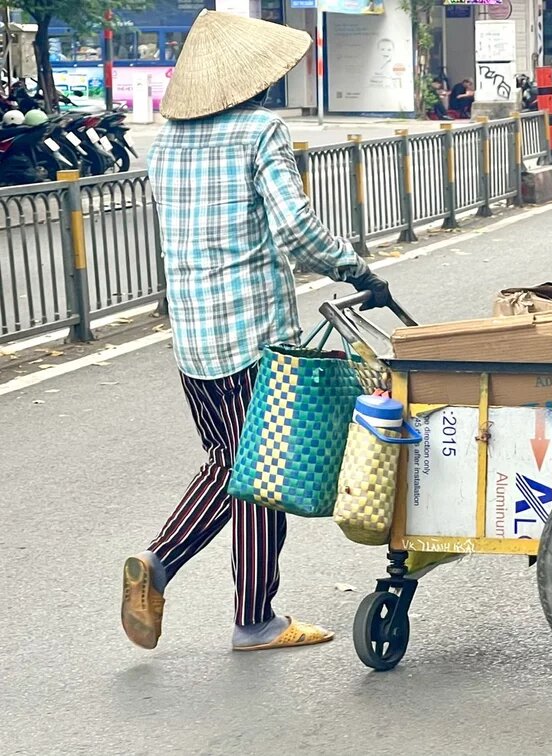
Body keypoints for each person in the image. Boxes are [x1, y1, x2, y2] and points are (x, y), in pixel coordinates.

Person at [121, 10, 390, 653]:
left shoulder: (167, 143)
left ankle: (190, 582)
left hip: (193, 340)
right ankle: (244, 612)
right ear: (253, 81)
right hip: (253, 337)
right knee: (258, 475)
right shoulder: (260, 131)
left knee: (231, 464)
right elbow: (296, 230)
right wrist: (357, 269)